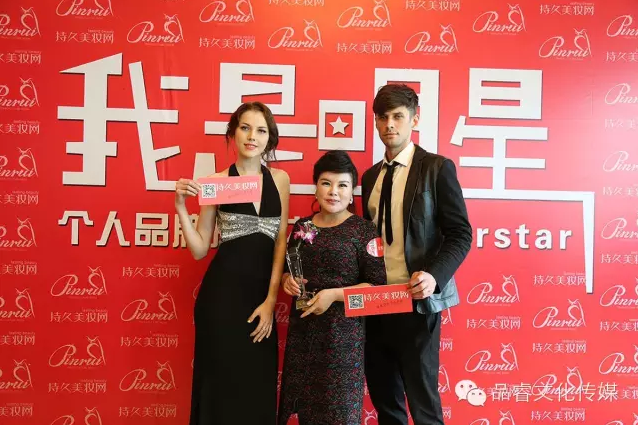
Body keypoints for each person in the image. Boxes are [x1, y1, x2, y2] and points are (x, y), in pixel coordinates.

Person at [361, 84, 473, 425]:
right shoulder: (369, 178)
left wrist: (434, 276)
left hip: (417, 302)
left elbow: (461, 233)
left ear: (414, 119)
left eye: (398, 116)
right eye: (382, 117)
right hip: (376, 303)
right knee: (386, 404)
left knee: (424, 407)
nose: (389, 125)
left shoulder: (437, 168)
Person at [174, 102, 290, 425]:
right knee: (220, 388)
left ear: (270, 138)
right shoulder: (216, 181)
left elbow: (281, 240)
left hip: (260, 299)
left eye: (261, 130)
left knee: (256, 388)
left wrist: (271, 300)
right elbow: (200, 249)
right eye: (245, 128)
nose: (252, 137)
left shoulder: (280, 180)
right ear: (233, 133)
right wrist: (181, 207)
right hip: (221, 301)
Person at [278, 151, 387, 425]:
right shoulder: (302, 226)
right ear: (316, 187)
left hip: (343, 341)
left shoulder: (365, 231)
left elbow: (376, 290)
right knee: (306, 414)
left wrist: (334, 295)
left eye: (342, 185)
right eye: (326, 183)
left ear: (351, 194)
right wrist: (286, 280)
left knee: (339, 415)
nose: (333, 191)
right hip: (304, 337)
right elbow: (288, 269)